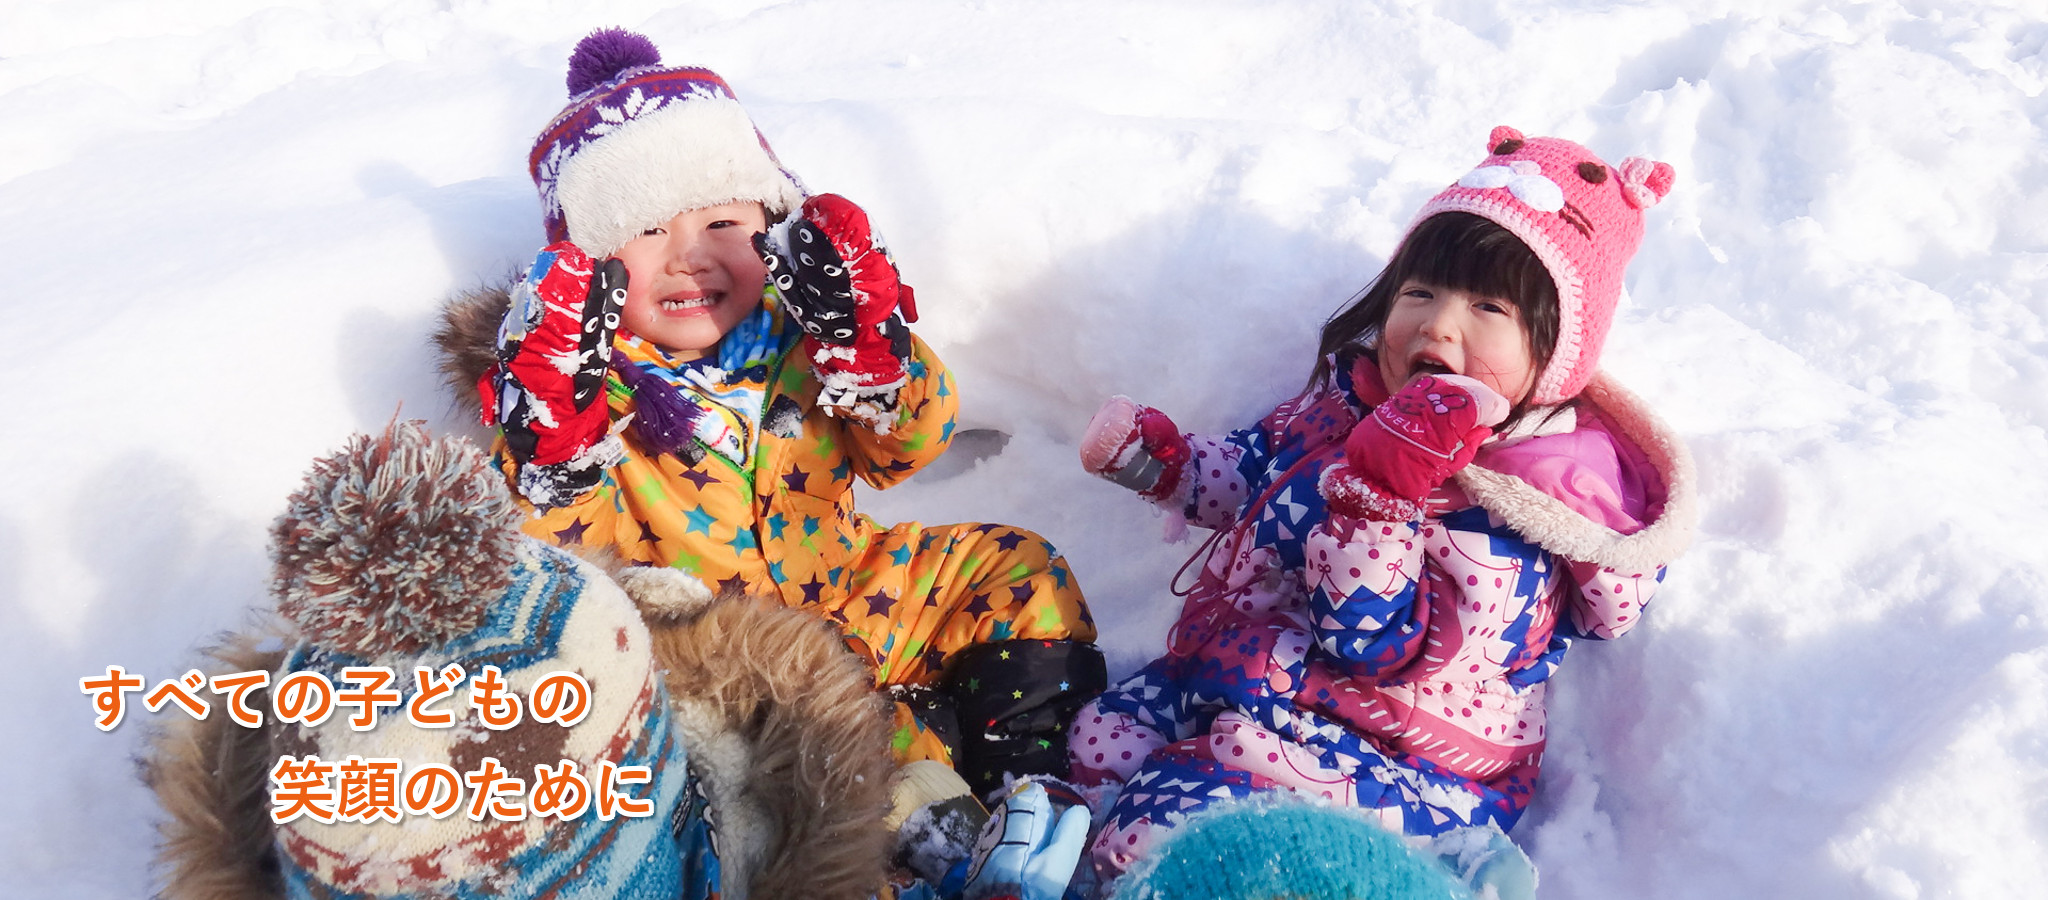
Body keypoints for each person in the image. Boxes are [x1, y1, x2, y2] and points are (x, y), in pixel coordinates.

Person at [434, 28, 1104, 804]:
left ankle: (1033, 781)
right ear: (593, 270)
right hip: (725, 657)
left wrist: (871, 353)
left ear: (773, 221)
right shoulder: (592, 393)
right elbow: (562, 566)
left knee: (1011, 565)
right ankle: (908, 811)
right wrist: (556, 446)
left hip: (858, 589)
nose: (689, 254)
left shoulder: (803, 338)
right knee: (797, 757)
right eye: (647, 231)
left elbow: (906, 449)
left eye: (721, 224)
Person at [1068, 126, 1697, 896]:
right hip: (1256, 675)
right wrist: (1165, 464)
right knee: (1099, 739)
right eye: (1420, 292)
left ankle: (1410, 868)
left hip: (1379, 747)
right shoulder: (1350, 405)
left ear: (1554, 353)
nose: (1438, 323)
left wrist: (1379, 505)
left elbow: (1372, 645)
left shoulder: (1518, 512)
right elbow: (1262, 468)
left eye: (1488, 306)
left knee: (1154, 831)